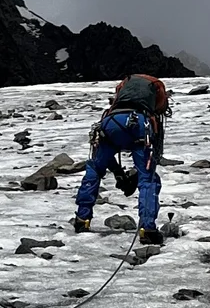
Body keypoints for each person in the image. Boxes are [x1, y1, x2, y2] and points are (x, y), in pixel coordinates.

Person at [72, 72, 169, 244]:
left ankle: (82, 219)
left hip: (112, 122)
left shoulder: (123, 87)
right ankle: (147, 229)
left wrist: (117, 171)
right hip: (140, 125)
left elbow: (103, 155)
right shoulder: (156, 86)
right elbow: (160, 109)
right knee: (148, 179)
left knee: (94, 169)